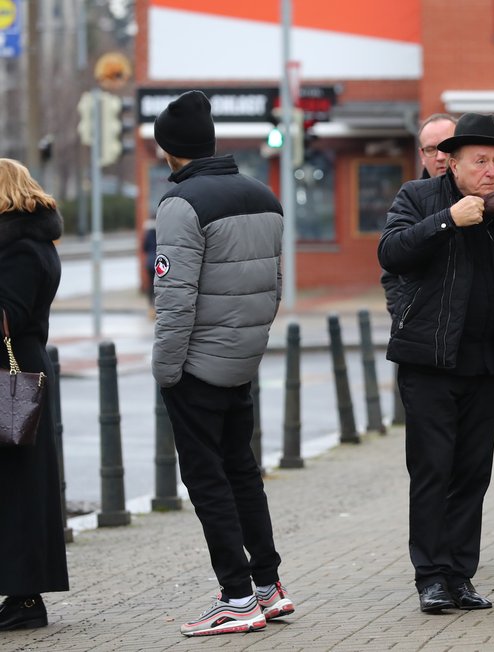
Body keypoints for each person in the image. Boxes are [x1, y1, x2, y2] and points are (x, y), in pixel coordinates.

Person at [378, 112, 494, 613]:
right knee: (433, 470)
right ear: (451, 162)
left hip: (488, 358)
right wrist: (445, 222)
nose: (491, 171)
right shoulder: (417, 199)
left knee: (472, 472)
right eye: (480, 161)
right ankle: (431, 577)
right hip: (431, 361)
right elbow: (391, 253)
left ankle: (460, 576)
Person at [151, 90, 295, 635]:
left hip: (196, 368)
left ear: (169, 149)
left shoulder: (180, 206)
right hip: (241, 363)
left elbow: (174, 299)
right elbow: (274, 287)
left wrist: (168, 371)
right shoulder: (264, 194)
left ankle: (236, 597)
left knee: (207, 481)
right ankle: (268, 585)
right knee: (242, 474)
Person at [0, 158, 68, 631]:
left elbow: (10, 315)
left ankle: (26, 599)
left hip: (13, 376)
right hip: (17, 372)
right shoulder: (27, 243)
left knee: (20, 486)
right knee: (16, 483)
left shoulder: (22, 248)